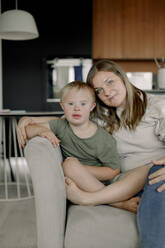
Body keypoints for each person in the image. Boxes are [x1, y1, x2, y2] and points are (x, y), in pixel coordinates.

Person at [63, 59, 165, 248]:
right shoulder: (99, 116)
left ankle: (88, 199)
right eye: (99, 90)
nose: (107, 92)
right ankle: (119, 203)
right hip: (119, 183)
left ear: (122, 77)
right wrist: (30, 122)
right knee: (68, 165)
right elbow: (66, 118)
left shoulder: (157, 106)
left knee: (157, 172)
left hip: (154, 175)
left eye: (109, 82)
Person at [17, 81, 147, 213]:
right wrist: (42, 131)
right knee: (70, 165)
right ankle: (119, 203)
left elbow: (113, 170)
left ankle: (105, 198)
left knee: (70, 165)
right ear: (62, 106)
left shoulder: (103, 139)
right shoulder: (60, 126)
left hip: (102, 183)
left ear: (92, 106)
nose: (76, 108)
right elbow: (27, 130)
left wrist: (79, 169)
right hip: (79, 182)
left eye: (83, 104)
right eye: (71, 104)